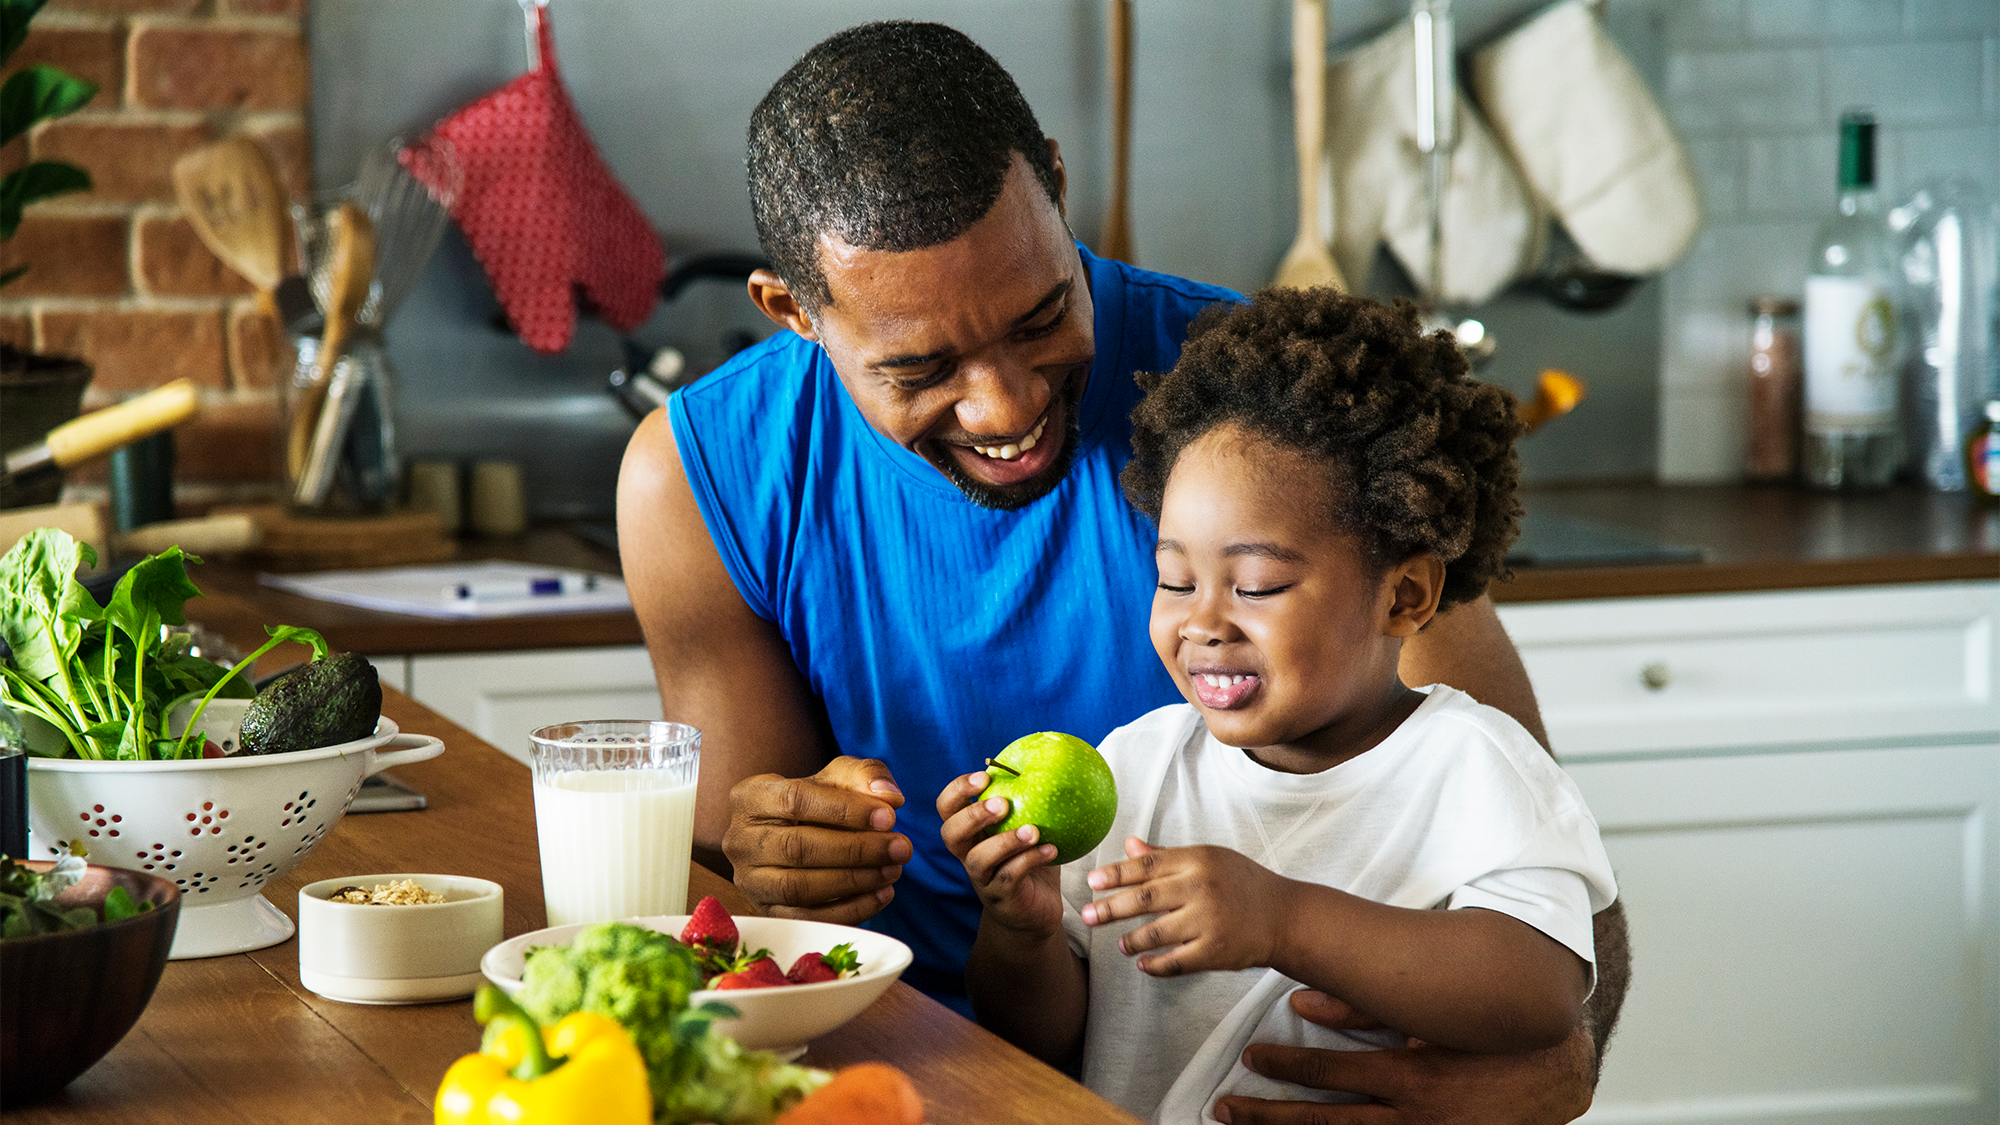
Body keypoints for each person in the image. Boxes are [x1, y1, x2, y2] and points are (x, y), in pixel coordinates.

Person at [617, 20, 1629, 1121]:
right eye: (920, 366)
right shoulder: (700, 475)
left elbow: (1543, 876)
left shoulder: (1274, 426)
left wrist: (1550, 1074)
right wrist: (778, 858)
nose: (1004, 407)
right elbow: (726, 903)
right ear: (791, 311)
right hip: (888, 1071)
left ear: (1055, 183)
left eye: (1040, 314)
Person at [937, 288, 1619, 1122]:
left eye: (1257, 584)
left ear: (1403, 596)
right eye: (1175, 579)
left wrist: (1284, 919)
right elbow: (1046, 1040)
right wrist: (1024, 933)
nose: (1202, 621)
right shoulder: (1138, 767)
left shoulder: (1473, 765)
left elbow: (1538, 991)